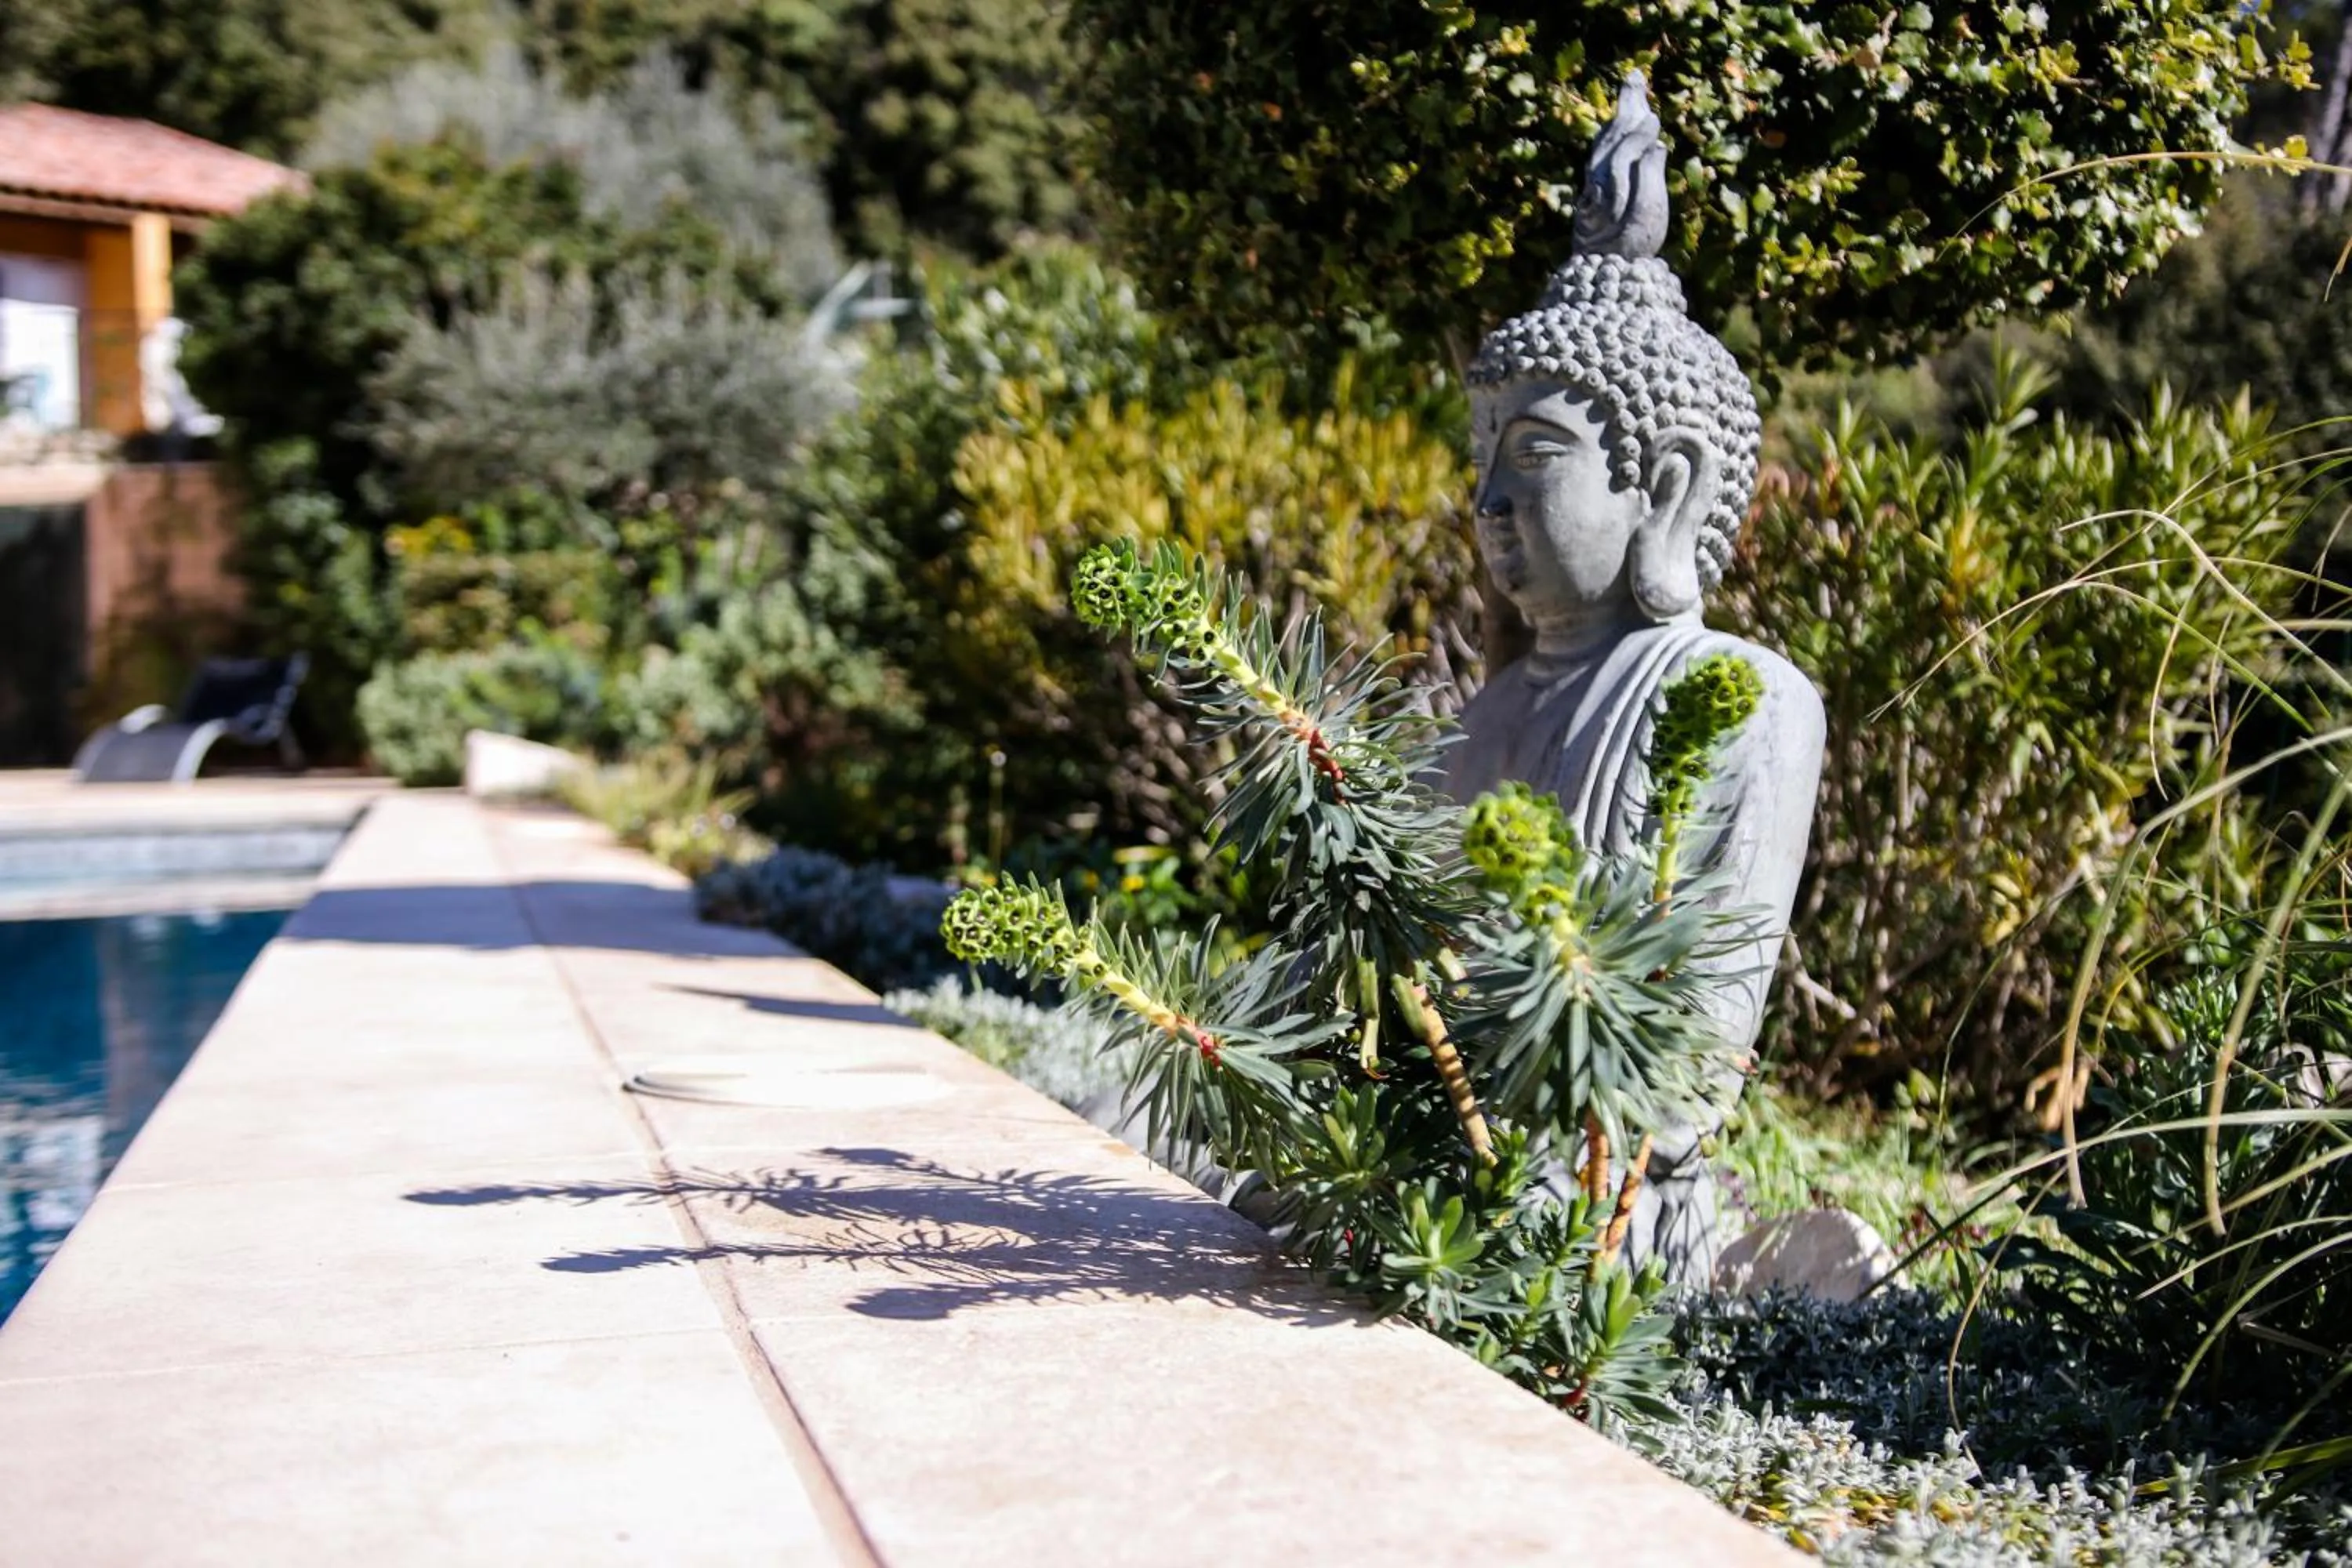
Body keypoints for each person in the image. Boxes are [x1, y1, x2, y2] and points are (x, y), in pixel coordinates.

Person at [1440, 74, 1825, 1285]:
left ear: (1665, 490)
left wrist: (1566, 1141)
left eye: (1534, 455)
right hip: (1442, 1161)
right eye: (1481, 460)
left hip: (1608, 1208)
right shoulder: (1489, 715)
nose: (1490, 503)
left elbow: (1701, 1038)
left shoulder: (1751, 700)